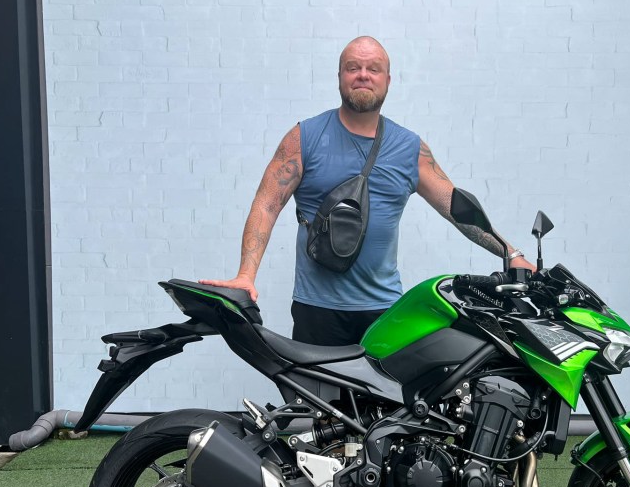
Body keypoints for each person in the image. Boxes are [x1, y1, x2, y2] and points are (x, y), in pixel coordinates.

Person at [201, 36, 534, 346]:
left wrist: (511, 253)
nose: (363, 75)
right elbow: (267, 204)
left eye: (373, 68)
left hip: (385, 311)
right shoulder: (304, 137)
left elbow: (455, 208)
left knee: (390, 410)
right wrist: (246, 275)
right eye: (353, 68)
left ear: (388, 80)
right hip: (316, 311)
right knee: (317, 408)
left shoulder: (410, 148)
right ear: (340, 77)